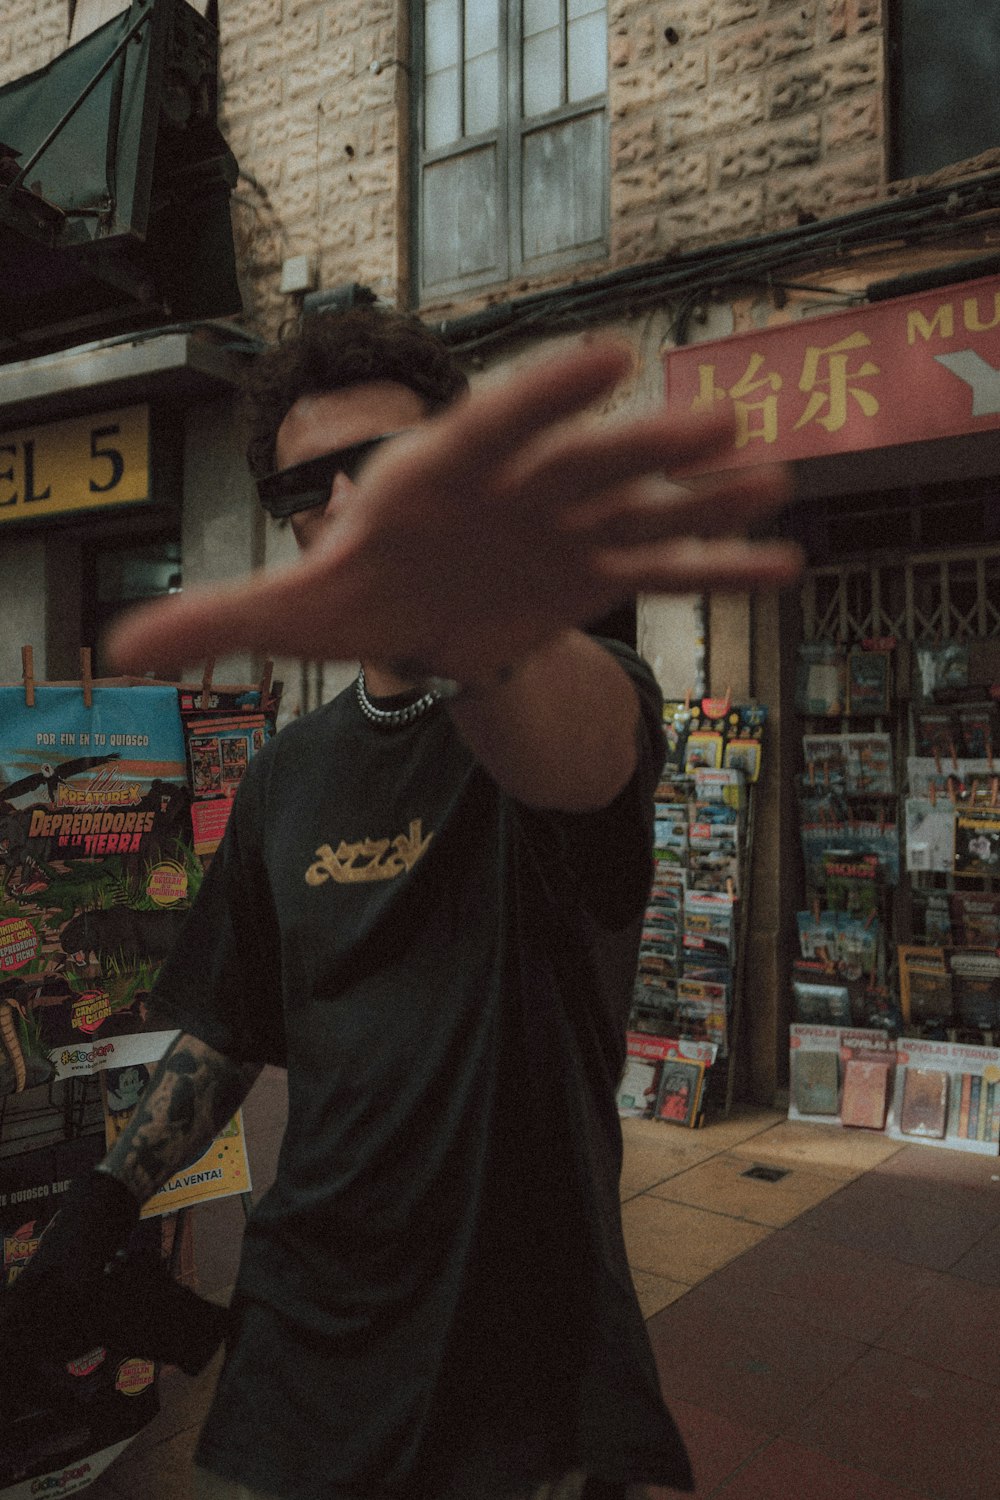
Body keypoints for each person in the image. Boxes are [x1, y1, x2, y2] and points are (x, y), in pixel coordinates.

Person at [1, 308, 800, 1500]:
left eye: (384, 468)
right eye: (302, 489)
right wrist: (95, 1214)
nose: (345, 507)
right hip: (300, 1324)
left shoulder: (562, 689)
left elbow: (576, 755)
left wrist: (468, 625)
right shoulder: (284, 775)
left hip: (513, 1337)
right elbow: (228, 1022)